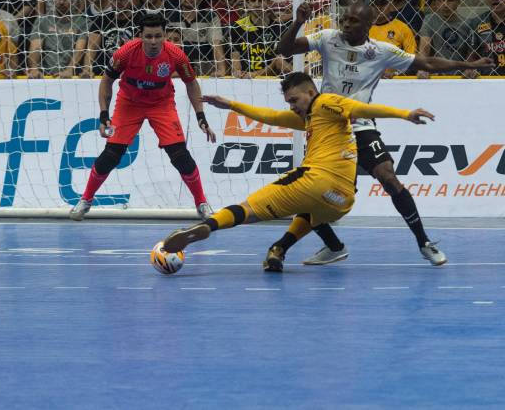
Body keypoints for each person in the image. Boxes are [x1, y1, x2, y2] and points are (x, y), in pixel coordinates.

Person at [275, 1, 494, 267]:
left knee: (388, 177)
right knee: (313, 192)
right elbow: (284, 49)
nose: (345, 24)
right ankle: (333, 247)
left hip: (362, 125)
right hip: (327, 128)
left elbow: (428, 62)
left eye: (353, 21)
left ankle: (424, 243)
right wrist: (298, 22)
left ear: (369, 25)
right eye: (344, 19)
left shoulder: (380, 51)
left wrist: (467, 63)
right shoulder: (327, 38)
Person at [160, 72, 435, 272]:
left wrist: (404, 113)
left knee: (247, 209)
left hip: (315, 180)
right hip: (340, 202)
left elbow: (361, 107)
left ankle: (208, 226)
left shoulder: (326, 102)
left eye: (294, 100)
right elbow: (270, 116)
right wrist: (231, 104)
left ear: (311, 93)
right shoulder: (313, 118)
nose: (292, 107)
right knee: (309, 211)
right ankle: (286, 248)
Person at [69, 14, 217, 221]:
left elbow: (192, 84)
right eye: (149, 36)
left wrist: (200, 116)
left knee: (180, 155)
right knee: (111, 155)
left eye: (158, 36)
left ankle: (201, 203)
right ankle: (85, 200)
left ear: (165, 35)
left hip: (162, 104)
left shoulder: (176, 55)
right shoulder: (126, 52)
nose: (154, 41)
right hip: (129, 103)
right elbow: (106, 81)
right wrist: (104, 114)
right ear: (140, 36)